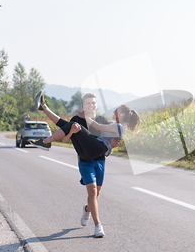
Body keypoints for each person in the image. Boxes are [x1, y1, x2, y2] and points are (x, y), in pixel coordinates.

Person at [32, 91, 131, 238]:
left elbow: (110, 139)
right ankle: (98, 225)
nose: (91, 105)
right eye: (88, 103)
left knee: (96, 194)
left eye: (93, 103)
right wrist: (71, 131)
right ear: (83, 105)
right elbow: (65, 138)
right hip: (85, 159)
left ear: (96, 105)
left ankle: (87, 209)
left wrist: (114, 145)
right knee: (91, 191)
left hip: (100, 159)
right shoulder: (77, 119)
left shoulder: (101, 120)